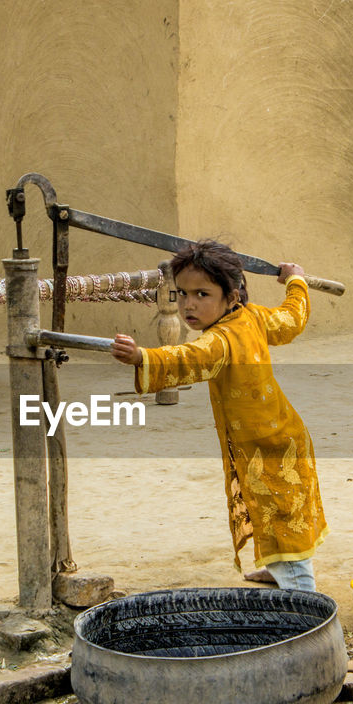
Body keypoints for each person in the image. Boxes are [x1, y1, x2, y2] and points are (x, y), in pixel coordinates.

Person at [110, 240, 327, 591]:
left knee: (285, 527)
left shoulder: (221, 340)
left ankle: (305, 601)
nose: (188, 304)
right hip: (279, 437)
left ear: (232, 297)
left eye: (202, 294)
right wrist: (295, 281)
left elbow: (188, 358)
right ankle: (276, 571)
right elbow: (292, 317)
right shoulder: (253, 316)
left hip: (268, 451)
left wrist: (141, 358)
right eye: (182, 293)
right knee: (271, 515)